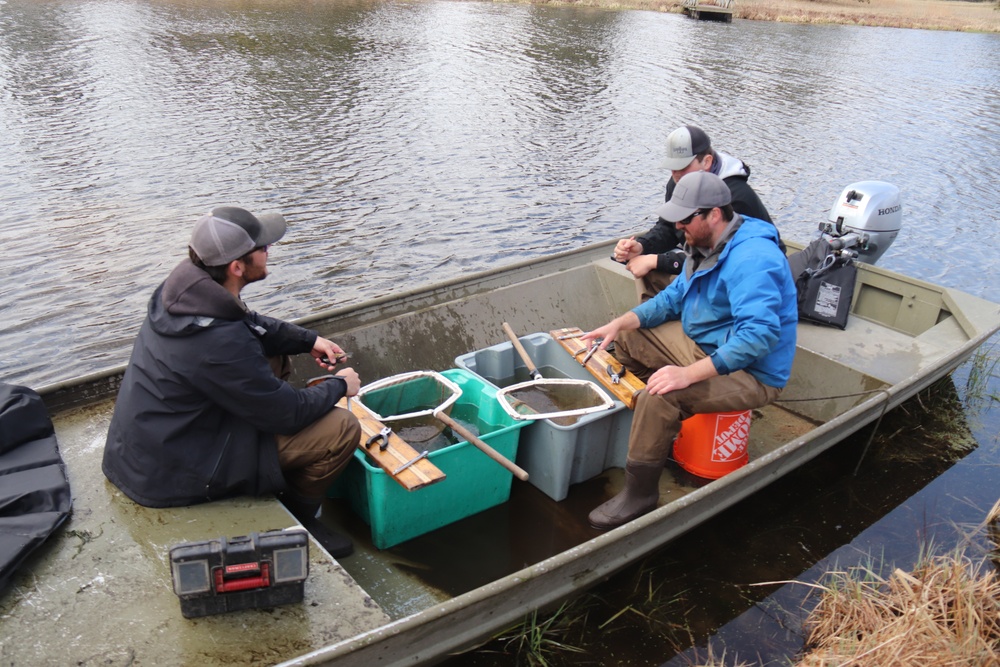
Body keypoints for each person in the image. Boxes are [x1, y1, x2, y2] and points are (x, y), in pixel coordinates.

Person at [102, 206, 362, 556]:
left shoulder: (184, 291)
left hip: (153, 446)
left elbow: (248, 323)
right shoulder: (219, 342)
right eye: (263, 248)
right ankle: (298, 519)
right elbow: (289, 414)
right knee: (341, 428)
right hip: (174, 473)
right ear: (237, 267)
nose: (269, 251)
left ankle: (276, 471)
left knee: (275, 353)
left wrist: (308, 340)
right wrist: (340, 385)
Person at [583, 171, 797, 530]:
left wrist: (686, 376)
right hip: (709, 344)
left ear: (714, 214)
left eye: (685, 219)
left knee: (660, 397)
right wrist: (621, 322)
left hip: (753, 372)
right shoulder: (704, 245)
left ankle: (640, 494)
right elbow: (672, 299)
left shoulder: (753, 258)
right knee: (630, 338)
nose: (678, 226)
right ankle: (658, 432)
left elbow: (757, 338)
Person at [613, 125, 781, 301]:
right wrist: (641, 246)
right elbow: (669, 227)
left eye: (682, 166)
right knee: (642, 265)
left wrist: (657, 260)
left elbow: (720, 259)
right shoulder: (680, 182)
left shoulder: (734, 197)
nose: (675, 174)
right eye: (672, 167)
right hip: (703, 258)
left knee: (654, 267)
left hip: (746, 277)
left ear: (706, 162)